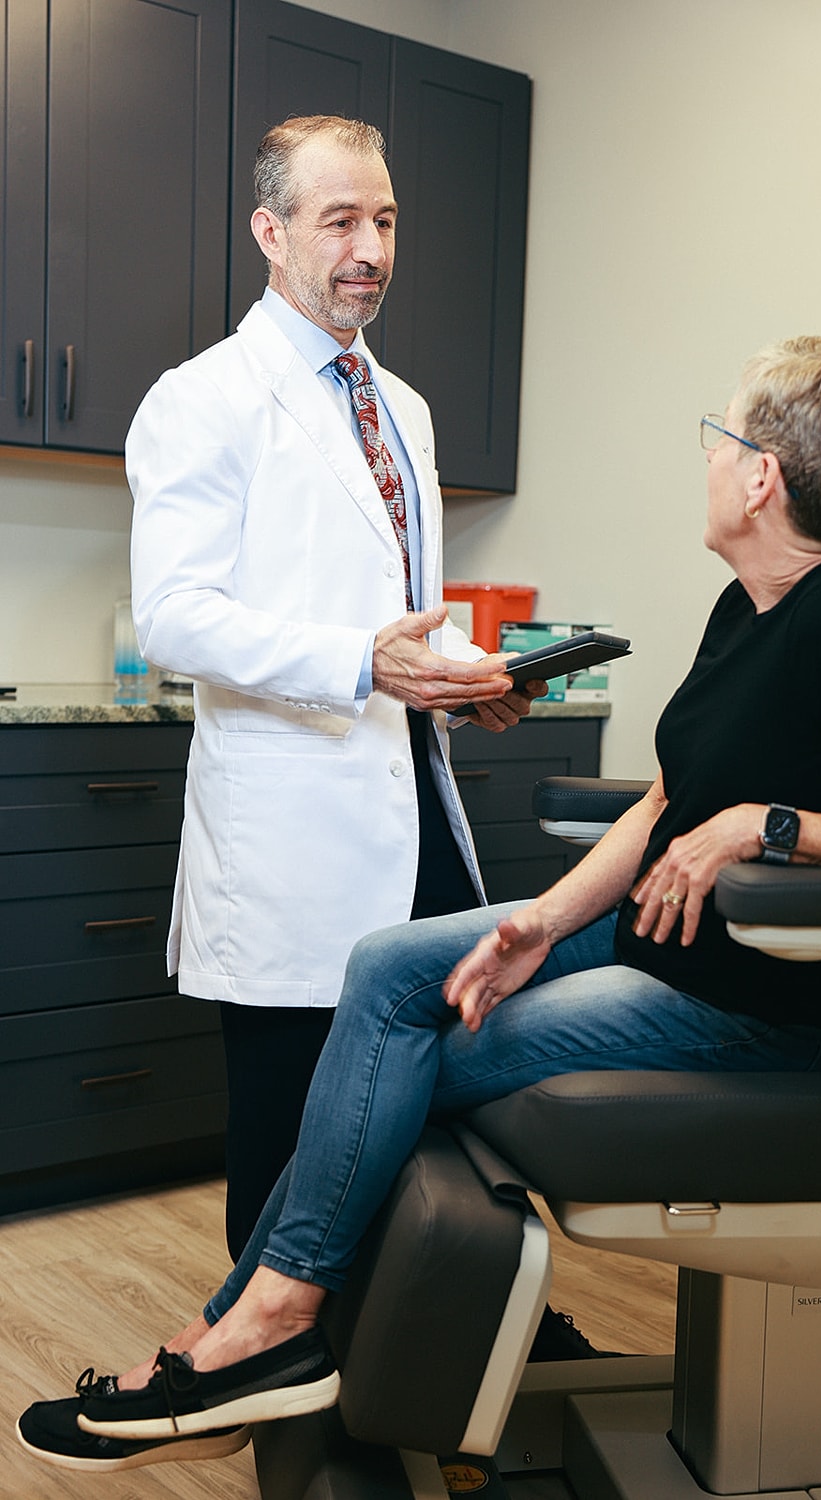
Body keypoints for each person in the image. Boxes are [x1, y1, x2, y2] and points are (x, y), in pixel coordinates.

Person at [18, 334, 821, 1470]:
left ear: (762, 476)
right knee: (390, 969)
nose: (710, 460)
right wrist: (535, 922)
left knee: (406, 1053)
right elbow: (663, 809)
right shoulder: (752, 606)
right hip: (652, 947)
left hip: (744, 1008)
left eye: (720, 439)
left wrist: (765, 828)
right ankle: (260, 1324)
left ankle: (252, 1331)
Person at [124, 114, 542, 1263]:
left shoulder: (399, 406)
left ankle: (439, 1337)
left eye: (387, 220)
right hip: (293, 823)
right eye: (340, 220)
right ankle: (265, 1364)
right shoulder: (203, 397)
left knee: (432, 1093)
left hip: (416, 798)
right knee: (290, 1119)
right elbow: (173, 614)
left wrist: (466, 681)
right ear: (270, 231)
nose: (371, 247)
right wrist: (364, 662)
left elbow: (395, 600)